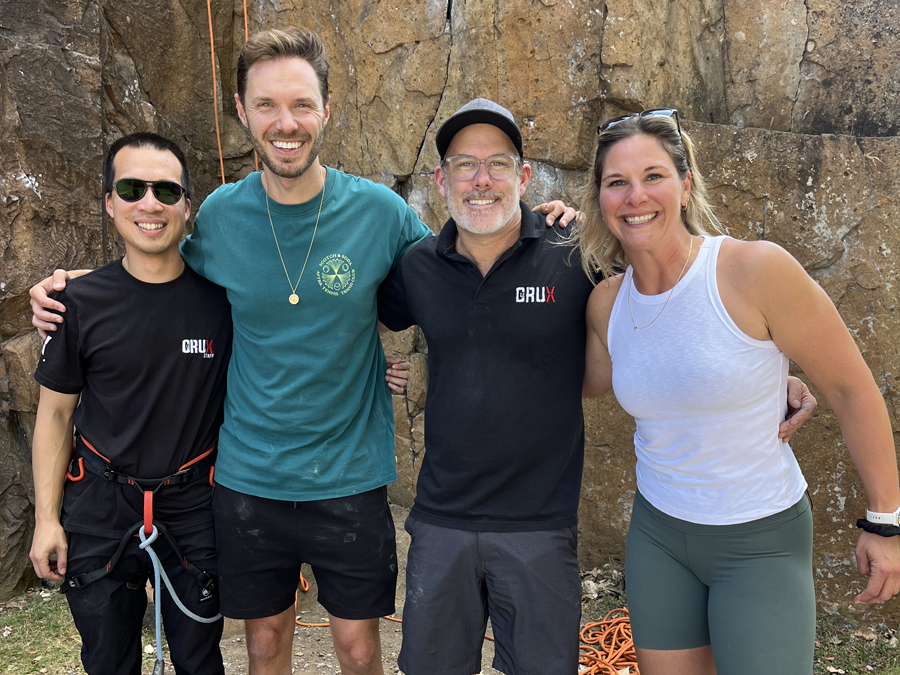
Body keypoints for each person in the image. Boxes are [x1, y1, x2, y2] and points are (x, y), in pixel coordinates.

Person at [27, 29, 576, 675]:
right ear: (241, 110)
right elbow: (152, 263)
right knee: (263, 644)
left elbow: (463, 260)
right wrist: (72, 289)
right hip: (248, 478)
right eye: (266, 105)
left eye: (300, 104)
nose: (285, 123)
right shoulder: (221, 217)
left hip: (350, 477)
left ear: (325, 108)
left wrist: (541, 224)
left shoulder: (381, 213)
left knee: (357, 647)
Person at [376, 100, 818, 675]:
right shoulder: (416, 267)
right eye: (464, 165)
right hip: (440, 522)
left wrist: (762, 368)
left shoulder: (574, 254)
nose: (481, 180)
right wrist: (386, 370)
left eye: (498, 164)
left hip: (539, 522)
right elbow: (357, 321)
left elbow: (662, 306)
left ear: (525, 177)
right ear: (441, 179)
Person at [577, 109, 900, 675]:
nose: (635, 196)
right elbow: (583, 384)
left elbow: (852, 389)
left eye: (653, 175)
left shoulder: (753, 270)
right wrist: (532, 237)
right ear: (598, 198)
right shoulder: (607, 304)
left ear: (685, 184)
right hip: (658, 538)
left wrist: (886, 521)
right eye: (616, 182)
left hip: (760, 540)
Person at [29, 132, 231, 675]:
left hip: (193, 512)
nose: (150, 203)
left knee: (199, 661)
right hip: (98, 509)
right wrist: (47, 521)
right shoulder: (75, 304)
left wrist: (381, 369)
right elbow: (54, 414)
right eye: (131, 187)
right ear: (109, 202)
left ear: (188, 207)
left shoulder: (223, 306)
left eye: (166, 191)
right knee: (107, 660)